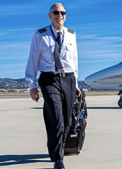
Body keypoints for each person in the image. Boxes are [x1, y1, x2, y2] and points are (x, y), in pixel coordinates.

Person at [25, 3, 80, 169]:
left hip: (69, 79)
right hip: (49, 79)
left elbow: (74, 61)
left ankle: (59, 149)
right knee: (56, 118)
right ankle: (58, 158)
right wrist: (32, 85)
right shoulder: (40, 35)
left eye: (63, 12)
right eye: (56, 12)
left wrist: (76, 83)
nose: (60, 15)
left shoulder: (71, 35)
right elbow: (33, 59)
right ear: (50, 15)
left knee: (66, 119)